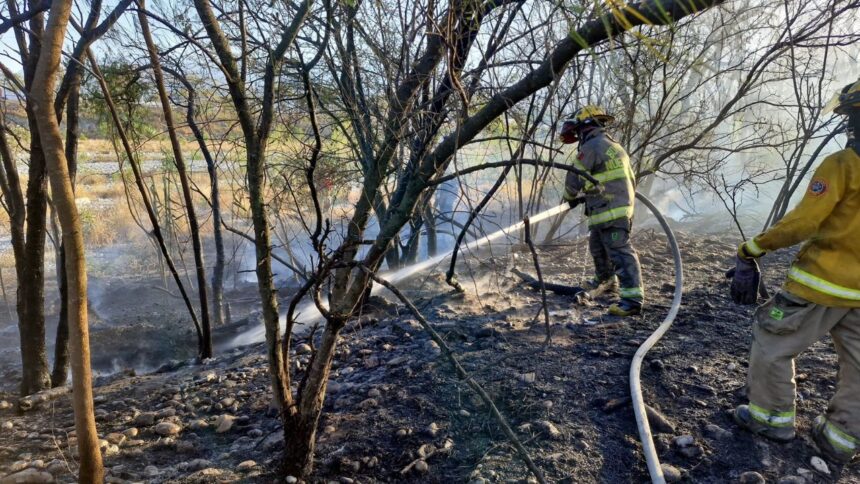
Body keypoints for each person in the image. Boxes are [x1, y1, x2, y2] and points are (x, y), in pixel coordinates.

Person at [731, 78, 860, 465]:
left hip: (822, 283)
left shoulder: (842, 164)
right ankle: (842, 439)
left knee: (772, 340)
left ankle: (772, 419)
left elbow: (803, 222)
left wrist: (752, 248)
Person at [560, 105, 644, 316]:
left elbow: (575, 176)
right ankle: (606, 280)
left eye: (578, 131)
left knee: (620, 252)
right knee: (597, 246)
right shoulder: (612, 146)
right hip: (608, 208)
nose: (577, 135)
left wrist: (569, 199)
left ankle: (632, 300)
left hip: (610, 209)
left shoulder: (591, 147)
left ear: (585, 128)